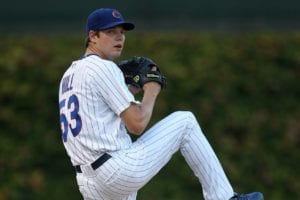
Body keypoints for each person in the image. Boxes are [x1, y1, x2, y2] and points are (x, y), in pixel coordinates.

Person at [58, 8, 264, 200]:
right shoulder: (103, 68)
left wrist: (129, 91)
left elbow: (100, 117)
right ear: (93, 36)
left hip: (88, 182)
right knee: (185, 122)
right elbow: (137, 124)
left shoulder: (70, 75)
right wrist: (152, 88)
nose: (119, 37)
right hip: (116, 171)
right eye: (110, 31)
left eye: (122, 31)